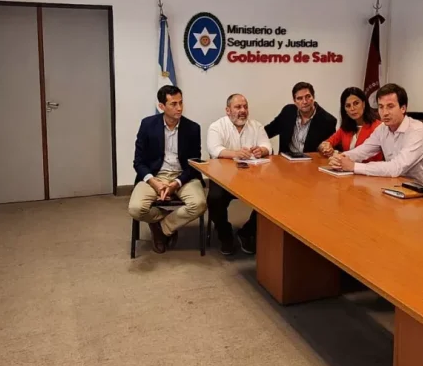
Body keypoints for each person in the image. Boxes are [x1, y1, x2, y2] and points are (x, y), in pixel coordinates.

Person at [128, 85, 207, 254]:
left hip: (183, 176)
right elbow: (138, 162)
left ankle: (162, 228)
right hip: (154, 175)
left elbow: (194, 164)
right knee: (135, 208)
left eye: (181, 103)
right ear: (161, 106)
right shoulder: (147, 125)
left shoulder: (193, 128)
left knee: (199, 204)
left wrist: (176, 183)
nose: (179, 108)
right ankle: (164, 219)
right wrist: (154, 182)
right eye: (173, 104)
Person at [328, 83, 423, 189]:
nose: (385, 113)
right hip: (398, 186)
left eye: (390, 106)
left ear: (403, 108)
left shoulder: (418, 132)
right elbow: (363, 151)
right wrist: (341, 157)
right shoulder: (382, 129)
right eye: (381, 107)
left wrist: (354, 166)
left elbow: (396, 168)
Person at [207, 94, 272, 255]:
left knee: (271, 196)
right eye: (238, 107)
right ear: (228, 110)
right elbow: (214, 149)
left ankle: (247, 232)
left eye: (245, 107)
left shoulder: (256, 126)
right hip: (223, 178)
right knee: (214, 199)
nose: (243, 110)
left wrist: (261, 150)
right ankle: (224, 233)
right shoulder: (217, 127)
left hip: (252, 178)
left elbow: (267, 146)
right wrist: (235, 153)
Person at [265, 82, 337, 155]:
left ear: (313, 97)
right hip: (285, 159)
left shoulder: (328, 121)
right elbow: (267, 131)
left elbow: (333, 148)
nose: (304, 102)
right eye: (299, 98)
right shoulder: (287, 112)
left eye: (308, 96)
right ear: (294, 101)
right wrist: (262, 147)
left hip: (312, 160)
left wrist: (328, 150)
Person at [317, 87, 383, 162]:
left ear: (364, 104)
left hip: (370, 168)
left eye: (356, 103)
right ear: (345, 110)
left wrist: (339, 154)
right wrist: (325, 147)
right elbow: (325, 143)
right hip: (347, 167)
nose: (352, 108)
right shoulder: (345, 128)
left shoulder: (378, 126)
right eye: (348, 106)